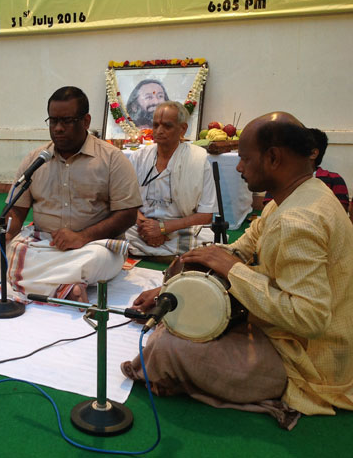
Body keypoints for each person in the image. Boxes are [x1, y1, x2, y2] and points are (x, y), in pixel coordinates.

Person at [122, 112, 353, 429]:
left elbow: (310, 318)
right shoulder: (292, 198)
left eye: (244, 158)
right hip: (279, 328)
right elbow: (242, 246)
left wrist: (234, 271)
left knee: (165, 349)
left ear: (273, 158)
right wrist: (172, 289)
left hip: (303, 360)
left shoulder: (300, 221)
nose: (240, 167)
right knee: (186, 274)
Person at [0, 86, 141, 303]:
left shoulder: (112, 159)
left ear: (86, 121)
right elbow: (17, 210)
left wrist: (82, 237)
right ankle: (65, 289)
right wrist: (5, 232)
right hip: (42, 243)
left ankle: (17, 278)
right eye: (53, 121)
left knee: (96, 260)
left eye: (66, 121)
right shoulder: (35, 160)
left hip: (91, 246)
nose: (58, 128)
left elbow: (128, 214)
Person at [125, 101, 216, 261]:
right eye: (155, 125)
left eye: (167, 126)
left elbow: (206, 215)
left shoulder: (199, 159)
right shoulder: (138, 157)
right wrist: (145, 227)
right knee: (115, 227)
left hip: (178, 228)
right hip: (141, 227)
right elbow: (125, 202)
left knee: (207, 238)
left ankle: (141, 250)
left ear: (183, 129)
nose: (159, 131)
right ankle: (172, 254)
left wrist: (162, 228)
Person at [262, 128, 349, 211]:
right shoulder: (279, 179)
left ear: (313, 153)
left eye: (295, 148)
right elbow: (269, 212)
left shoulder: (334, 179)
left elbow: (338, 216)